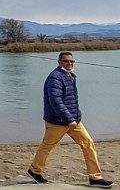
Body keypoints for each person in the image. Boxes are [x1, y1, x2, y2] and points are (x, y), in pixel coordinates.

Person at [27, 52, 113, 188]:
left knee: (88, 143)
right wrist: (69, 118)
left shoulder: (69, 75)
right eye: (66, 61)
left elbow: (70, 100)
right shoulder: (54, 78)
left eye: (72, 61)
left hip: (73, 120)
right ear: (59, 62)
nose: (69, 63)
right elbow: (55, 101)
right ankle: (34, 171)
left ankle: (95, 177)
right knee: (47, 146)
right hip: (57, 122)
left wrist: (75, 117)